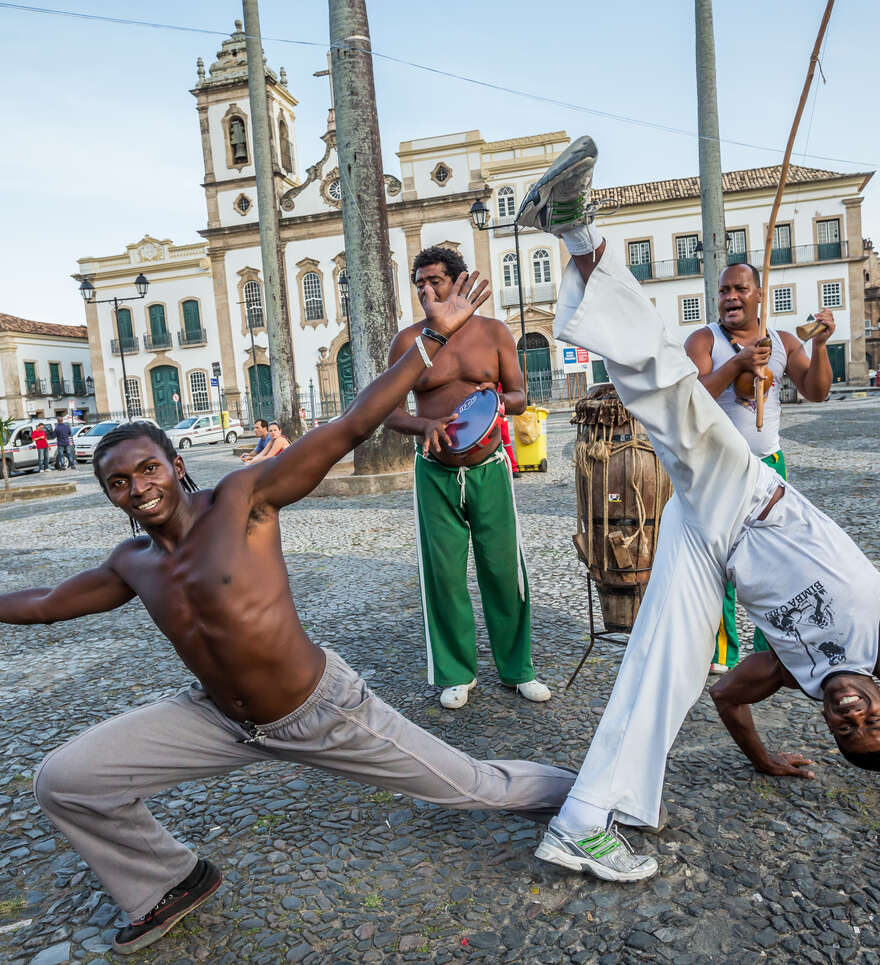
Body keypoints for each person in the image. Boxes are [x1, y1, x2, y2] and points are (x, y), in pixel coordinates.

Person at [8, 270, 577, 955]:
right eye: (119, 483)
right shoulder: (132, 563)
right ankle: (168, 880)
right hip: (219, 719)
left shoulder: (244, 497)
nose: (138, 488)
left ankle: (593, 793)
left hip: (319, 711)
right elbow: (41, 604)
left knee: (474, 785)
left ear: (176, 464)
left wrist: (428, 341)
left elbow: (352, 424)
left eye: (147, 469)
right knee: (63, 779)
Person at [513, 134, 880, 883]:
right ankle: (577, 229)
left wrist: (766, 759)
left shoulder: (803, 670)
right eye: (873, 720)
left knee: (669, 668)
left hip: (710, 540)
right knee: (673, 397)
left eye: (849, 732)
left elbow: (727, 693)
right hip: (751, 497)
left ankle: (582, 821)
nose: (853, 716)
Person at [383, 245, 551, 710]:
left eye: (434, 281)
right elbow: (390, 414)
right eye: (418, 283)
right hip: (435, 472)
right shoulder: (409, 342)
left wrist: (497, 400)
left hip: (489, 467)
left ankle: (518, 669)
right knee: (444, 575)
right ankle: (456, 673)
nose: (425, 290)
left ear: (457, 284)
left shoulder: (494, 333)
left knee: (503, 570)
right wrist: (425, 426)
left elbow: (519, 394)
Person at [684, 267, 834, 674]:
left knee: (775, 557)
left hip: (769, 464)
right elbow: (692, 400)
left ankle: (773, 647)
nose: (730, 297)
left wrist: (819, 346)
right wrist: (737, 364)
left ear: (758, 295)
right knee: (720, 562)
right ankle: (720, 653)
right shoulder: (703, 340)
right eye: (723, 291)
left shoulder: (784, 342)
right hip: (716, 467)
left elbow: (817, 392)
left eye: (739, 289)